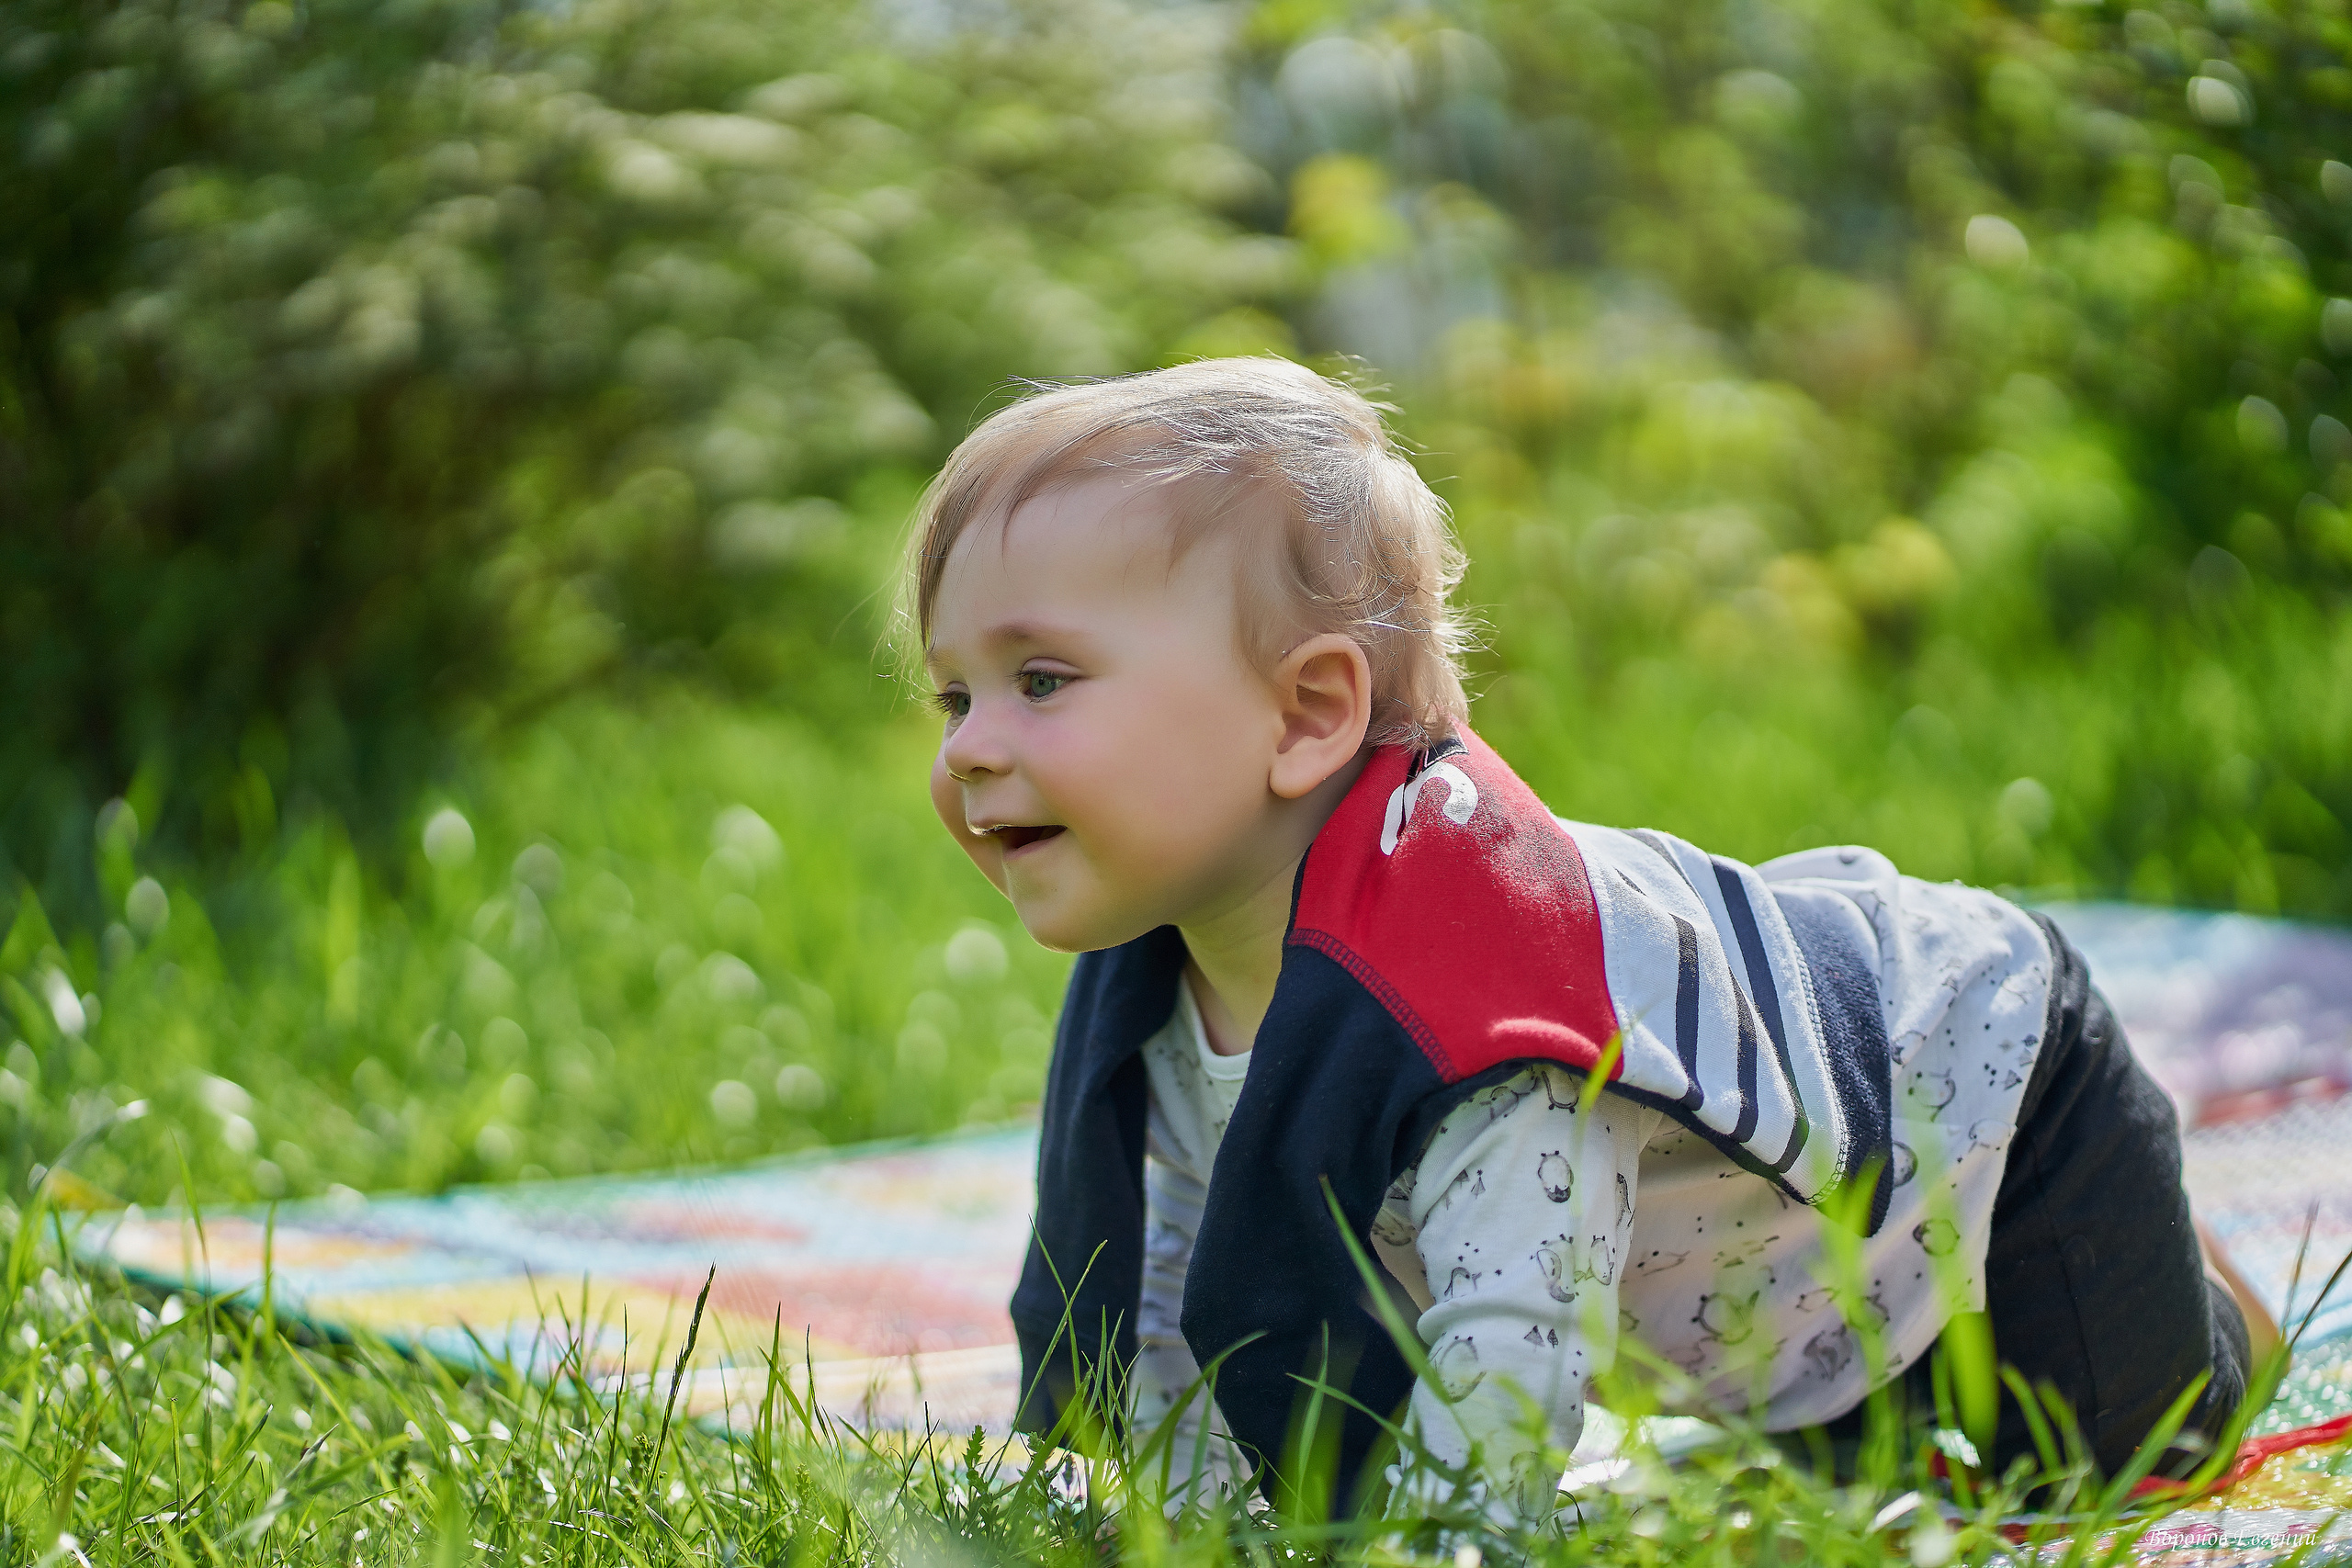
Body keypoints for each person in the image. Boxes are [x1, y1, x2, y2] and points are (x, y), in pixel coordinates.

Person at [901, 357, 2278, 1524]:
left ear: (1308, 715)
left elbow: (1510, 1373)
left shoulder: (1492, 1013)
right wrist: (1189, 1526)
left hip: (1990, 1095)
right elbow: (1165, 1289)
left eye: (1040, 681)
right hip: (1783, 1287)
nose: (969, 748)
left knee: (2102, 1471)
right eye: (952, 692)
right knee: (1854, 1477)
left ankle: (2204, 1282)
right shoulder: (1165, 979)